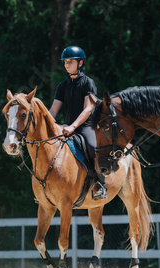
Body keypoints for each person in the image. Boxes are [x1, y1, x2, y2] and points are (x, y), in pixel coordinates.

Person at [49, 46, 107, 200]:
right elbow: (53, 111)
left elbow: (88, 109)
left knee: (93, 147)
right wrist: (47, 125)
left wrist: (73, 127)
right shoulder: (62, 86)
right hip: (66, 127)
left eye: (70, 61)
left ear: (80, 63)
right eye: (65, 62)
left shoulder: (88, 83)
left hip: (85, 127)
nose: (66, 64)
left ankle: (100, 184)